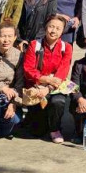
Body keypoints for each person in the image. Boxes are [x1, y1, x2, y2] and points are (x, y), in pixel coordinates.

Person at [21, 14, 73, 143]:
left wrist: (48, 88)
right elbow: (28, 69)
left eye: (58, 28)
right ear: (45, 27)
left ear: (62, 31)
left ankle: (55, 129)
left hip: (55, 86)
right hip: (37, 85)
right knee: (37, 131)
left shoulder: (66, 47)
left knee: (58, 102)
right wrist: (46, 80)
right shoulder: (34, 45)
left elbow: (62, 71)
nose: (53, 31)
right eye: (51, 26)